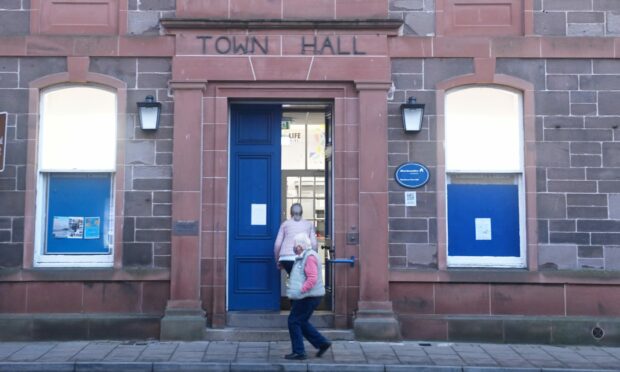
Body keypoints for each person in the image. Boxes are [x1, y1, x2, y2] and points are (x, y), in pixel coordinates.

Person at [284, 233, 331, 360]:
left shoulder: (309, 257)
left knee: (293, 321)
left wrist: (300, 290)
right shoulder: (304, 256)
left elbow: (312, 279)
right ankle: (322, 343)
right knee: (301, 321)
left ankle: (299, 352)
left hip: (308, 296)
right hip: (308, 296)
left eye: (295, 245)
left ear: (300, 246)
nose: (294, 248)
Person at [274, 203, 317, 275]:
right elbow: (314, 244)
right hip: (303, 257)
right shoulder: (309, 224)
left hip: (286, 258)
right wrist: (314, 259)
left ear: (291, 213)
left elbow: (277, 245)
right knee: (301, 280)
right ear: (302, 212)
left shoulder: (285, 224)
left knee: (294, 279)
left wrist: (277, 260)